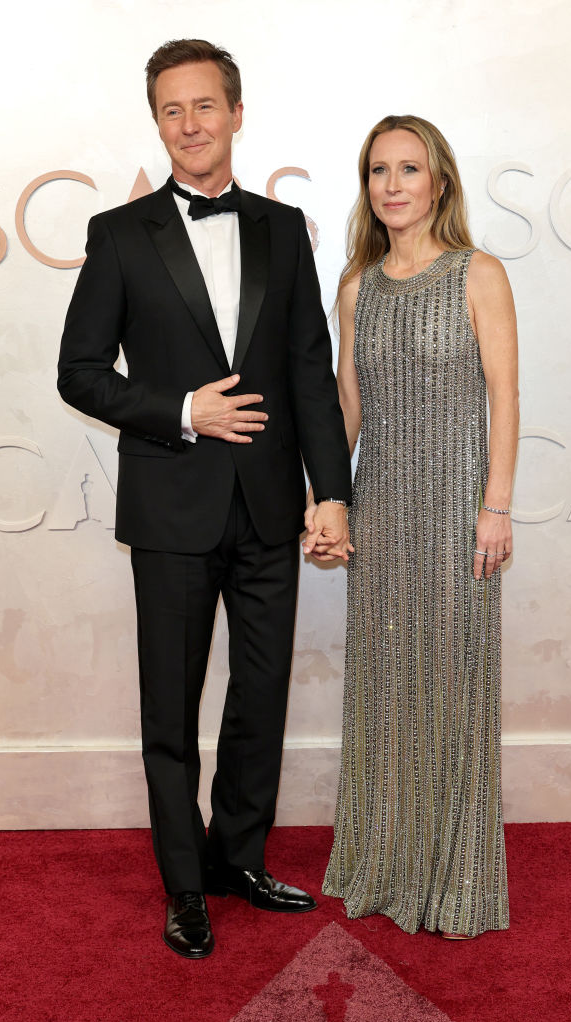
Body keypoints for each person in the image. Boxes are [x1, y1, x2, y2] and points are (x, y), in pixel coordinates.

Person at [57, 38, 352, 959]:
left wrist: (330, 493)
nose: (189, 124)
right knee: (171, 710)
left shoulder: (282, 227)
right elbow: (79, 372)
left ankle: (239, 858)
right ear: (158, 122)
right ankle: (184, 887)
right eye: (171, 110)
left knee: (260, 698)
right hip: (170, 509)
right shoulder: (118, 234)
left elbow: (309, 373)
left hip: (269, 506)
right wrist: (184, 411)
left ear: (235, 113)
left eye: (204, 105)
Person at [318, 115, 518, 938]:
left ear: (439, 182)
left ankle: (455, 879)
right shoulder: (355, 287)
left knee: (453, 684)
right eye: (378, 170)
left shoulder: (478, 273)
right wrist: (325, 499)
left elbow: (504, 394)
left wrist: (495, 506)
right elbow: (346, 407)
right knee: (386, 688)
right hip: (382, 511)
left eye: (408, 168)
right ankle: (385, 861)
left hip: (458, 512)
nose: (392, 185)